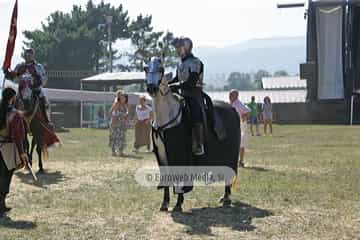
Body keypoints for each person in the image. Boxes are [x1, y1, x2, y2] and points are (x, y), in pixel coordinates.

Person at [169, 37, 205, 156]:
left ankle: (199, 144)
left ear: (187, 48)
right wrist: (164, 84)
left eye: (179, 47)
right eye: (176, 48)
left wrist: (175, 85)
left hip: (194, 95)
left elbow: (191, 82)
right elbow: (176, 79)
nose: (177, 50)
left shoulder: (196, 62)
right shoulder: (180, 64)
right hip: (181, 95)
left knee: (194, 111)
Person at [0, 88, 29, 217]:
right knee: (5, 177)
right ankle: (0, 205)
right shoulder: (15, 114)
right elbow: (18, 136)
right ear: (12, 98)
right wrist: (22, 152)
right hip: (7, 149)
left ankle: (2, 204)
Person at [4, 48, 50, 123]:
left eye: (30, 55)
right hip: (21, 92)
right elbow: (14, 77)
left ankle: (46, 121)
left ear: (33, 55)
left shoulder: (38, 67)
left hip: (35, 92)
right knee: (11, 104)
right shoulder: (19, 66)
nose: (28, 56)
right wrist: (7, 73)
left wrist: (37, 82)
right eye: (27, 54)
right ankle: (8, 123)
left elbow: (44, 79)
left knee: (43, 102)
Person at [229, 90, 250, 168]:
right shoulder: (233, 103)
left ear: (236, 96)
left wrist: (243, 119)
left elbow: (247, 112)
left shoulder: (237, 103)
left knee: (240, 144)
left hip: (240, 127)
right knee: (236, 144)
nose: (230, 96)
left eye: (232, 95)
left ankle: (241, 161)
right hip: (235, 127)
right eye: (230, 94)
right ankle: (237, 161)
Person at [109, 90, 129, 157]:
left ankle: (121, 151)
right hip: (115, 123)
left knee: (122, 137)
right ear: (119, 97)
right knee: (114, 137)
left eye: (124, 97)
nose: (123, 98)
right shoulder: (117, 103)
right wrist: (115, 118)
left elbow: (127, 113)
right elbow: (110, 112)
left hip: (122, 123)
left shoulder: (126, 104)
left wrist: (126, 117)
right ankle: (113, 151)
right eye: (122, 97)